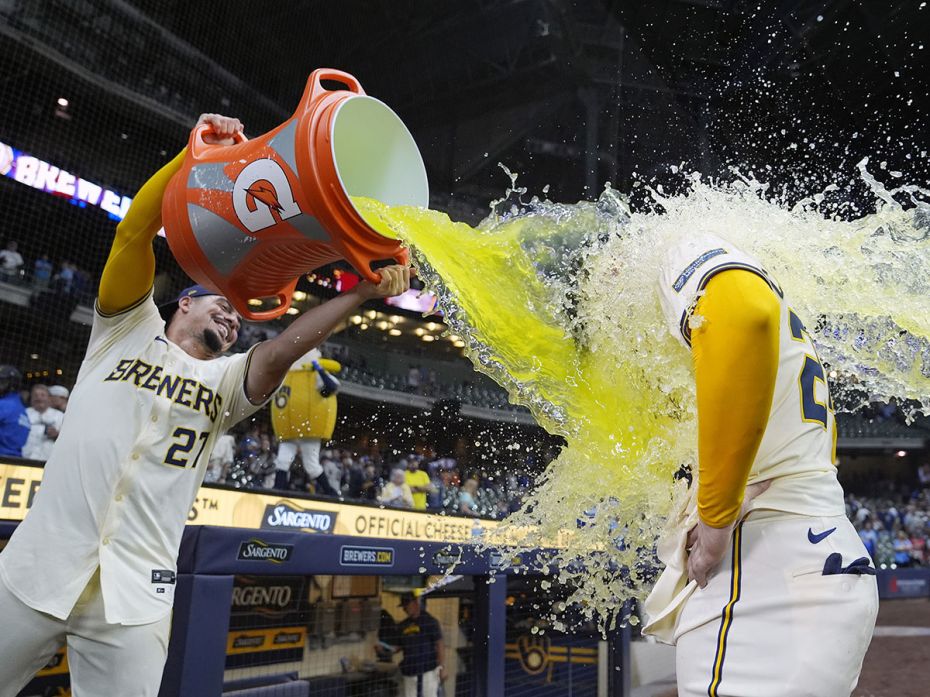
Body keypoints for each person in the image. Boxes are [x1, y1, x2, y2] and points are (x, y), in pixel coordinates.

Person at [0, 113, 410, 697]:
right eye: (220, 304)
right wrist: (195, 156)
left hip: (135, 597)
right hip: (33, 572)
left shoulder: (225, 381)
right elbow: (133, 233)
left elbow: (276, 355)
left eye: (239, 319)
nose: (231, 315)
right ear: (183, 304)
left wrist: (362, 295)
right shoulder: (123, 331)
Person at [642, 235, 878, 696]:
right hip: (810, 554)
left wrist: (715, 519)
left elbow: (743, 309)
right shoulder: (767, 285)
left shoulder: (675, 246)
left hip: (766, 566)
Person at [393, 592, 446, 697]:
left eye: (407, 605)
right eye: (403, 606)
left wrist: (442, 668)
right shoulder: (402, 625)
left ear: (416, 602)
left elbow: (439, 644)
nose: (405, 609)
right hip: (409, 672)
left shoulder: (430, 621)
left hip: (428, 671)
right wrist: (385, 649)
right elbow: (397, 647)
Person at [22, 384, 64, 461]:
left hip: (49, 461)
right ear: (31, 398)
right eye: (35, 395)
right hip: (24, 459)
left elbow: (67, 440)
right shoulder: (24, 414)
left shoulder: (60, 416)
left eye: (42, 395)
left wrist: (57, 435)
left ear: (49, 398)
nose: (39, 398)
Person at [0, 366, 29, 457]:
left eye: (1, 382)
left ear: (12, 384)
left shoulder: (4, 405)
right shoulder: (23, 410)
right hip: (15, 462)